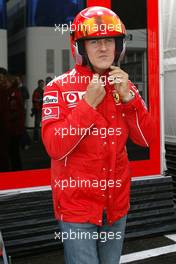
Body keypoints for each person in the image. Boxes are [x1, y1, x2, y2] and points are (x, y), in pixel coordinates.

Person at [42, 6, 155, 264]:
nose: (103, 48)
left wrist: (128, 100)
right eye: (94, 41)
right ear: (81, 48)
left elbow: (146, 139)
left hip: (116, 206)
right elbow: (54, 146)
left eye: (108, 41)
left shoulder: (127, 88)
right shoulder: (57, 87)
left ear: (118, 47)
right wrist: (87, 105)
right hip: (77, 208)